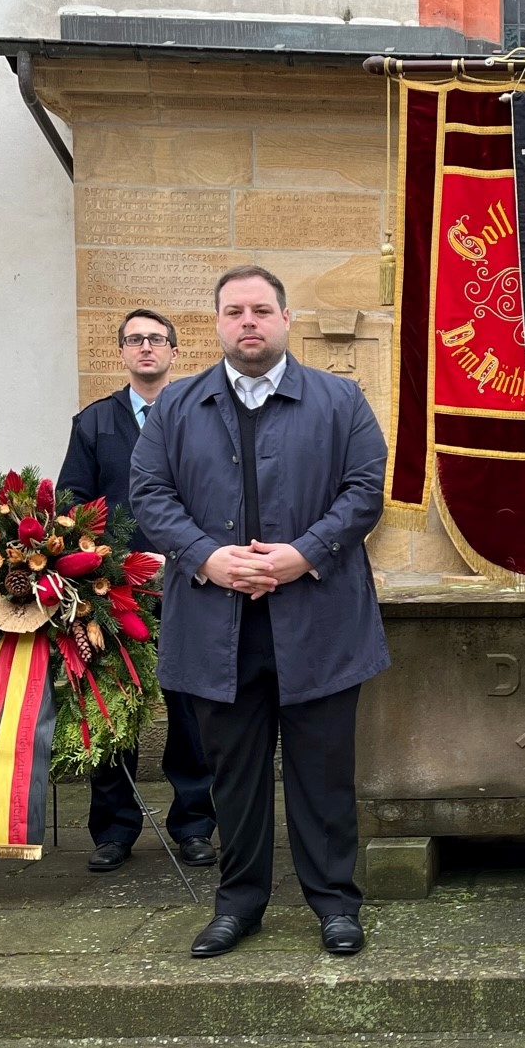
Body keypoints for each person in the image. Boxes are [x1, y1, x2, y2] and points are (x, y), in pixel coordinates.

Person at [129, 266, 390, 959]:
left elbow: (366, 490)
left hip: (320, 622)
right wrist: (207, 559)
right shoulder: (177, 407)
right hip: (219, 625)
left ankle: (335, 903)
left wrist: (302, 555)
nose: (249, 321)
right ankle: (239, 903)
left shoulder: (341, 399)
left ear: (284, 319)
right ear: (217, 323)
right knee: (235, 777)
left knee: (324, 773)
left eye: (261, 310)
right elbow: (150, 495)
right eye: (235, 311)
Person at [57, 310, 218, 875]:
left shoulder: (204, 415)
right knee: (111, 709)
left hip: (190, 585)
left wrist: (187, 556)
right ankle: (114, 828)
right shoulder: (95, 423)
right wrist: (115, 563)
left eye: (156, 339)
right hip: (113, 589)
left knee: (191, 712)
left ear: (174, 351)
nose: (145, 348)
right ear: (122, 352)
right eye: (134, 340)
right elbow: (72, 506)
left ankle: (196, 825)